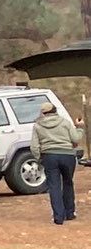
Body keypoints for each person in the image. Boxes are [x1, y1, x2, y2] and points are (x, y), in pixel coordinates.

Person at [34, 90, 83, 226]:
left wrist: (39, 158)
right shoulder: (65, 122)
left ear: (43, 113)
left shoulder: (38, 125)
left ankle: (58, 217)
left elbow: (34, 146)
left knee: (54, 186)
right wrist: (79, 128)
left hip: (49, 156)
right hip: (67, 155)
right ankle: (70, 212)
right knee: (68, 182)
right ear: (55, 110)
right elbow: (75, 139)